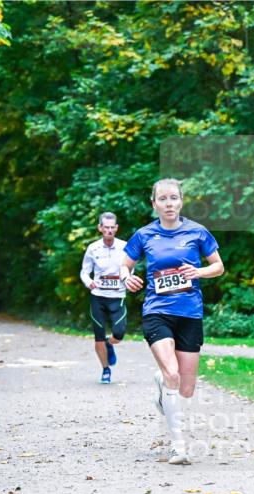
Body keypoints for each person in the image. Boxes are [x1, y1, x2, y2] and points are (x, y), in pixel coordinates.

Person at [120, 179, 224, 465]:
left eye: (173, 198)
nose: (168, 204)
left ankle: (161, 381)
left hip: (190, 313)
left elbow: (218, 266)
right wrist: (126, 277)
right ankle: (179, 447)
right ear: (154, 203)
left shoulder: (197, 232)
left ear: (181, 202)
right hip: (157, 311)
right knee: (173, 375)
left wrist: (199, 272)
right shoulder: (144, 235)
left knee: (186, 388)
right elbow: (125, 264)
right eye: (162, 199)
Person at [79, 212, 128, 384]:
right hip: (98, 297)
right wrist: (89, 282)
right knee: (98, 335)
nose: (109, 230)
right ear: (100, 228)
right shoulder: (93, 248)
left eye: (112, 227)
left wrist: (127, 279)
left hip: (118, 295)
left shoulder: (125, 247)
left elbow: (130, 268)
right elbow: (84, 272)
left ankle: (110, 342)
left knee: (120, 333)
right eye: (105, 227)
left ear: (116, 228)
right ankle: (105, 369)